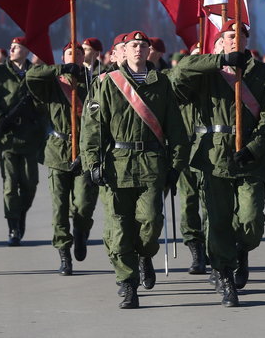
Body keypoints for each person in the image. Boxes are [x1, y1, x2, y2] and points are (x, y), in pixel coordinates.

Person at [169, 21, 265, 308]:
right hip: (213, 156)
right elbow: (179, 74)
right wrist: (219, 61)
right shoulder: (207, 73)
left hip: (249, 157)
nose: (233, 41)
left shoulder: (262, 73)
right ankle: (226, 275)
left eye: (238, 36)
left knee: (251, 220)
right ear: (218, 41)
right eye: (227, 37)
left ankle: (242, 250)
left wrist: (254, 148)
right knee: (217, 220)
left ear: (246, 39)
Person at [80, 31, 189, 309]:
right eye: (133, 46)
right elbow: (92, 128)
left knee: (151, 223)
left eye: (143, 45)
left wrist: (176, 165)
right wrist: (92, 163)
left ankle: (144, 255)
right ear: (123, 51)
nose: (139, 49)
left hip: (151, 163)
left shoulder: (161, 83)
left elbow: (176, 128)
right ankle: (128, 283)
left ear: (149, 51)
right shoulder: (106, 83)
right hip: (116, 164)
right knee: (118, 229)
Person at [25, 43, 95, 274]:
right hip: (58, 151)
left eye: (77, 54)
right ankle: (64, 252)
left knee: (84, 204)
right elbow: (32, 77)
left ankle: (82, 232)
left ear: (84, 56)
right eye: (68, 54)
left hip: (85, 150)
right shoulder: (54, 84)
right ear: (62, 57)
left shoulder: (93, 82)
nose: (73, 57)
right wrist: (59, 70)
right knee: (60, 207)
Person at [0, 37, 45, 246]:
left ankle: (21, 215)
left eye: (16, 47)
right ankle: (13, 226)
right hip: (7, 139)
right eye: (10, 46)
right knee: (10, 186)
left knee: (30, 184)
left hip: (30, 137)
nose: (11, 49)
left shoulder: (36, 73)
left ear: (27, 50)